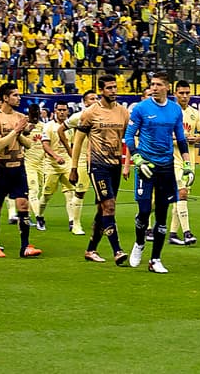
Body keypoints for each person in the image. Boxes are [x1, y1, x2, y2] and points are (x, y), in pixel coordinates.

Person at [124, 74, 193, 273]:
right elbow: (129, 135)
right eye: (152, 84)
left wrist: (187, 164)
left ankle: (155, 259)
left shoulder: (174, 110)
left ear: (167, 87)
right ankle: (139, 243)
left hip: (166, 166)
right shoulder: (141, 109)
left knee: (162, 215)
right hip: (146, 165)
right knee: (145, 211)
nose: (154, 87)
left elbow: (180, 139)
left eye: (158, 84)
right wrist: (136, 158)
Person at [71, 73, 130, 265]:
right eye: (109, 88)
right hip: (97, 166)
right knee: (109, 206)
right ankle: (117, 250)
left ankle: (90, 249)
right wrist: (73, 167)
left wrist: (127, 163)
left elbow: (127, 139)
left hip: (115, 165)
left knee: (102, 209)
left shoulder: (123, 112)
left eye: (115, 87)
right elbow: (78, 142)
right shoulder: (90, 113)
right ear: (101, 90)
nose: (113, 91)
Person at [0, 82, 41, 258]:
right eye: (15, 95)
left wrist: (22, 133)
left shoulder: (20, 116)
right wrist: (16, 131)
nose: (19, 98)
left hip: (18, 167)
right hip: (0, 169)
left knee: (23, 205)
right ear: (5, 98)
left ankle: (25, 246)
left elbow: (27, 144)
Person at [170, 80, 200, 246]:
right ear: (175, 94)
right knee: (182, 193)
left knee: (180, 198)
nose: (184, 96)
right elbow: (162, 135)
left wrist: (196, 138)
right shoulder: (170, 111)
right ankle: (187, 233)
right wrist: (179, 138)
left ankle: (172, 233)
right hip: (173, 159)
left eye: (187, 93)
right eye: (181, 93)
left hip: (189, 160)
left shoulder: (194, 113)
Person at [61, 89, 99, 235]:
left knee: (102, 195)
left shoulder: (102, 116)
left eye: (96, 98)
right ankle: (75, 224)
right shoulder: (79, 117)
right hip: (83, 160)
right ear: (84, 102)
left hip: (99, 160)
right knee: (80, 192)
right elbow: (60, 130)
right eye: (91, 99)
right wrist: (70, 151)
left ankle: (99, 222)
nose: (94, 101)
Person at [38, 100, 76, 233]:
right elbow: (45, 145)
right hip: (51, 164)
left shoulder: (71, 126)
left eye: (64, 110)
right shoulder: (48, 126)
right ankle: (39, 216)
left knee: (70, 192)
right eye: (59, 110)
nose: (61, 112)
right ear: (55, 111)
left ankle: (72, 221)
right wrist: (55, 156)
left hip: (67, 163)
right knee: (46, 194)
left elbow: (73, 145)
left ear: (67, 111)